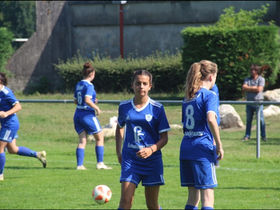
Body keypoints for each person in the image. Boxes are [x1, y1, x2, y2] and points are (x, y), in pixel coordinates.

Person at [115, 70, 170, 210]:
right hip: (131, 160)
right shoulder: (124, 107)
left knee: (152, 205)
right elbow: (119, 127)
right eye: (138, 83)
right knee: (125, 201)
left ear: (150, 86)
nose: (141, 86)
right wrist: (119, 152)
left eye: (145, 83)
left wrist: (151, 149)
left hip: (152, 161)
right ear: (132, 85)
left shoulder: (157, 108)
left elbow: (164, 138)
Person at [180, 60, 224, 210]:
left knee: (192, 196)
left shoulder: (187, 97)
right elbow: (211, 118)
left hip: (186, 147)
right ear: (211, 77)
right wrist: (219, 144)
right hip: (202, 148)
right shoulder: (210, 95)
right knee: (207, 195)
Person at [0, 73, 47, 181]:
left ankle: (0, 175)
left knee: (0, 148)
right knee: (12, 149)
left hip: (10, 124)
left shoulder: (6, 92)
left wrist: (6, 113)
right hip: (6, 124)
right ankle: (38, 154)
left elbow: (18, 106)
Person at [73, 62, 112, 170]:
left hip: (77, 114)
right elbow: (87, 100)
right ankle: (100, 164)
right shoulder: (89, 85)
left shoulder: (79, 84)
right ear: (92, 74)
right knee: (100, 137)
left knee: (82, 140)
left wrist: (92, 101)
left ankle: (79, 165)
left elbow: (76, 101)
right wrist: (96, 107)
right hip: (87, 115)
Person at [242, 64, 266, 141]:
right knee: (249, 120)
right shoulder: (247, 79)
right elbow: (244, 87)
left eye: (254, 70)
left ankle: (263, 136)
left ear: (257, 71)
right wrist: (254, 88)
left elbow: (259, 89)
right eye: (251, 70)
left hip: (258, 103)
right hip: (249, 103)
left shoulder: (261, 79)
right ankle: (247, 136)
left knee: (261, 120)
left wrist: (249, 88)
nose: (252, 72)